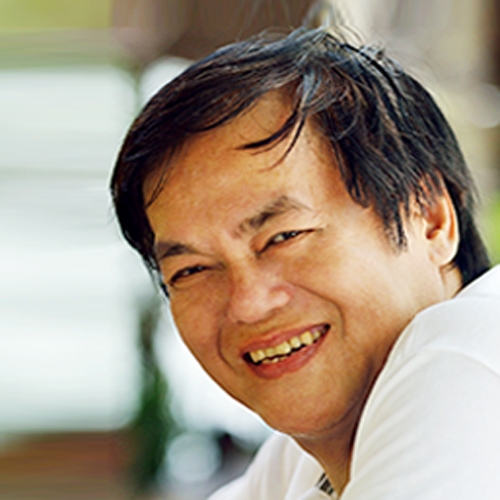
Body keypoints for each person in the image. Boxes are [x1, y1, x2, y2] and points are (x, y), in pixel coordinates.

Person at [110, 27, 500, 499]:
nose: (248, 305)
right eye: (191, 270)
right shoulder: (299, 465)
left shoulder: (465, 353)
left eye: (283, 237)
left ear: (430, 218)